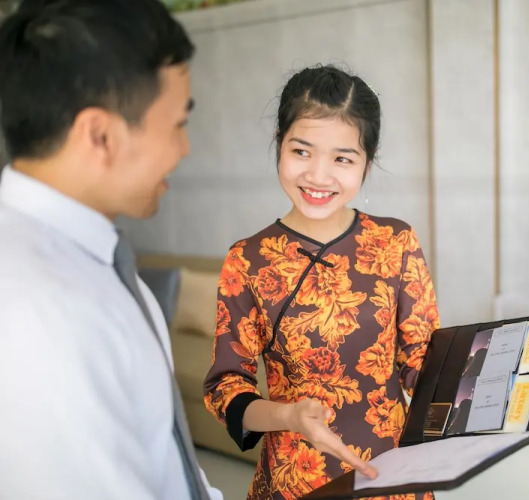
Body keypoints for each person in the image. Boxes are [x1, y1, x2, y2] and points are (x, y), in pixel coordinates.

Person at [0, 1, 221, 498]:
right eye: (178, 124)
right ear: (100, 135)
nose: (184, 149)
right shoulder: (40, 311)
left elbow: (167, 467)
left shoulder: (95, 266)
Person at [204, 65, 441, 499]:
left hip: (390, 477)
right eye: (301, 151)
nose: (317, 175)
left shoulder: (395, 241)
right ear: (279, 143)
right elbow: (226, 389)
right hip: (294, 483)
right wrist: (289, 417)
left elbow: (422, 365)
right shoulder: (247, 260)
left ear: (367, 161)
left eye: (342, 158)